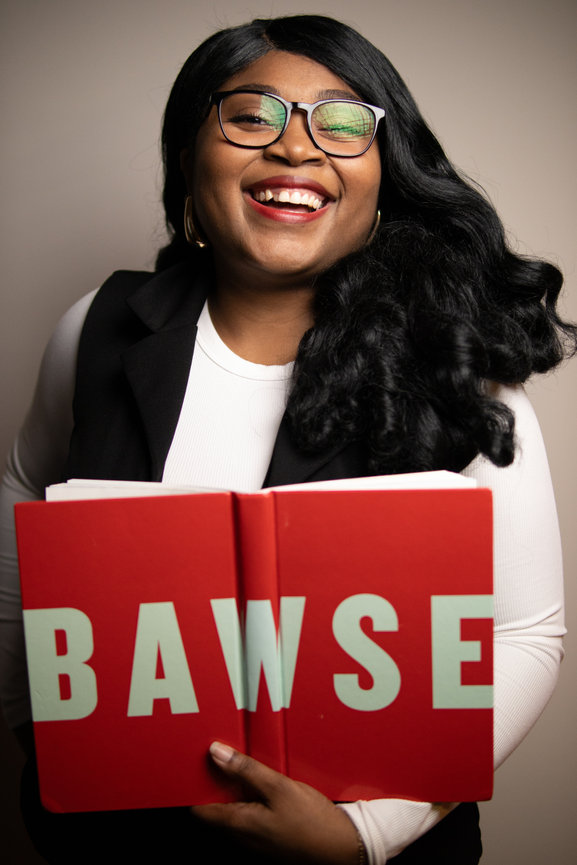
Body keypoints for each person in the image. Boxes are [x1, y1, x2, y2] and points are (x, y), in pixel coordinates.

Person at [0, 13, 574, 864]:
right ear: (188, 158)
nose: (294, 147)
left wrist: (364, 835)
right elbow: (25, 495)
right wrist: (32, 719)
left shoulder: (460, 366)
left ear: (384, 173)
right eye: (250, 115)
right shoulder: (98, 327)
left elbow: (525, 634)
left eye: (341, 124)